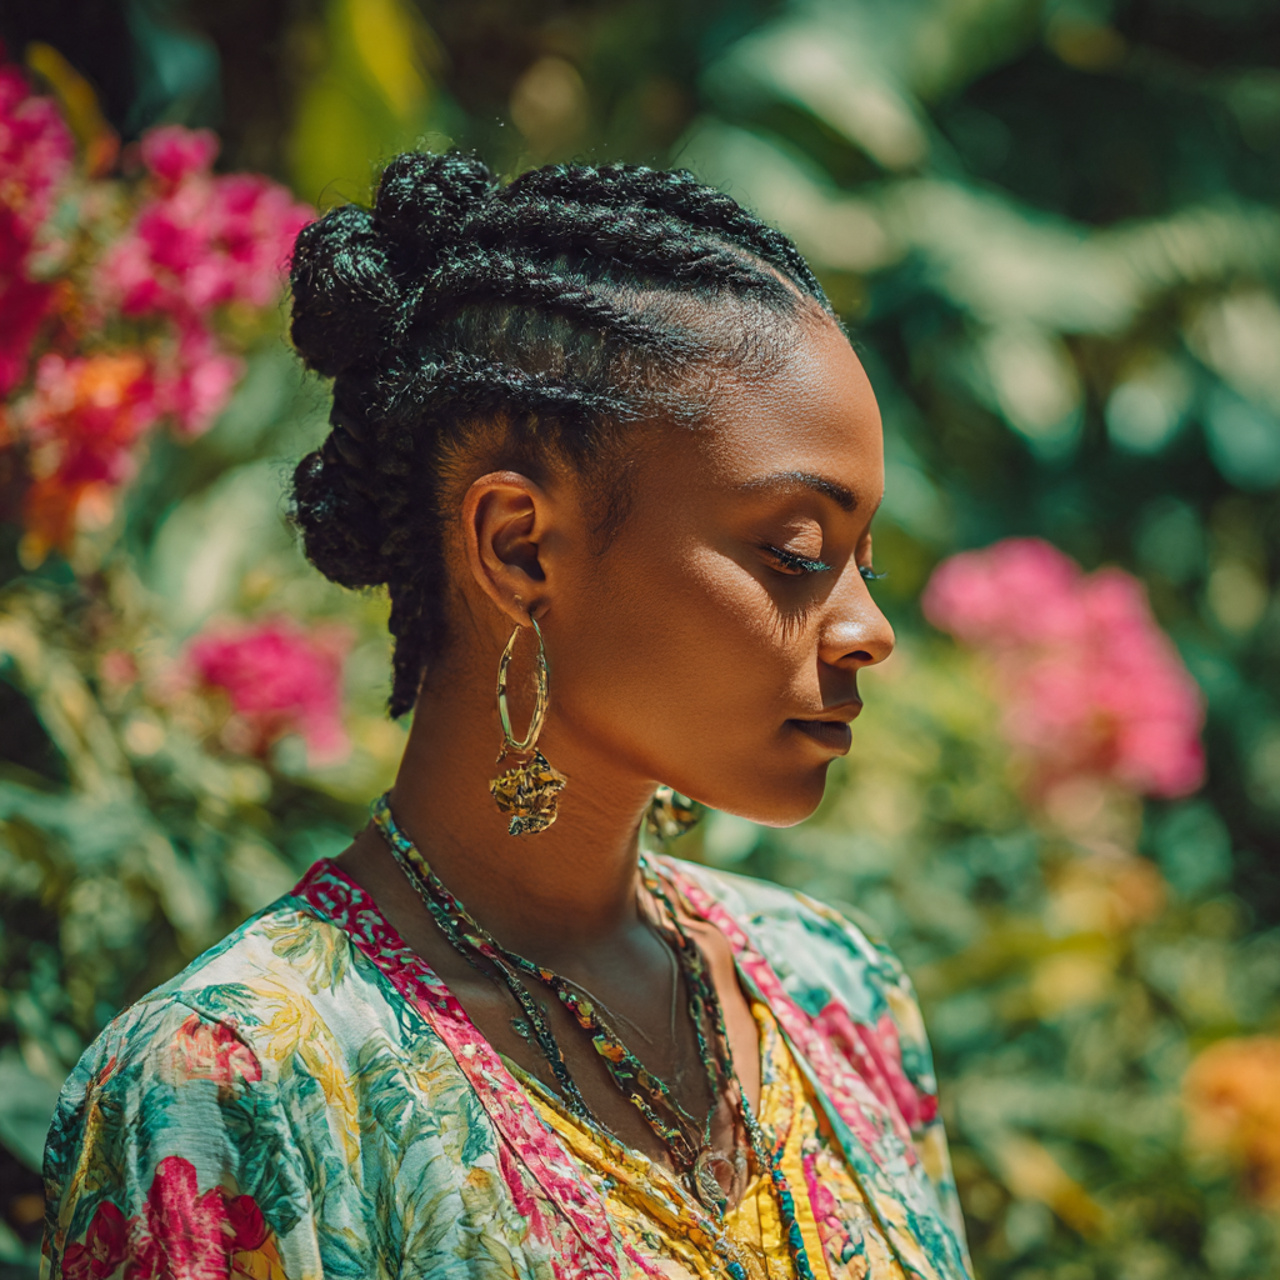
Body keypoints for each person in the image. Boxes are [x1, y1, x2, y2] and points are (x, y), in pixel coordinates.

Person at [41, 152, 973, 1280]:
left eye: (864, 559)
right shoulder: (234, 1084)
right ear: (519, 548)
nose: (868, 628)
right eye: (794, 552)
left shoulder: (840, 992)